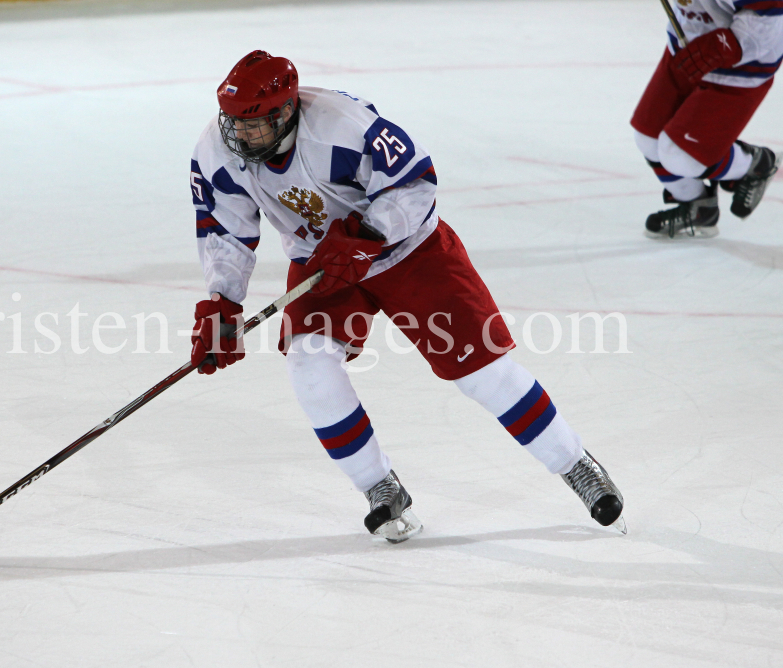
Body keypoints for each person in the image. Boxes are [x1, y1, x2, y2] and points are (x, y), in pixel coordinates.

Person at [188, 50, 623, 542]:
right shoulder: (216, 151)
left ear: (285, 112)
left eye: (253, 126)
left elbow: (415, 185)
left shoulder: (341, 125)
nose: (239, 136)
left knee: (482, 373)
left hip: (409, 249)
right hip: (321, 264)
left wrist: (368, 233)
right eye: (234, 123)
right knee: (309, 363)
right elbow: (223, 228)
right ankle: (380, 487)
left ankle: (576, 465)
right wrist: (223, 303)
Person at [632, 0, 782, 239]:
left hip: (742, 67)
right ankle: (698, 208)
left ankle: (755, 164)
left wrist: (724, 46)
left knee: (681, 156)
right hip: (687, 44)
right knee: (647, 137)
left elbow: (770, 19)